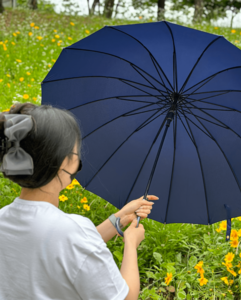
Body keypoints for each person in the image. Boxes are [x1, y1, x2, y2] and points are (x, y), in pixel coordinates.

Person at [0, 102, 158, 300]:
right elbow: (127, 297)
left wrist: (118, 218)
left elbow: (67, 248)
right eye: (75, 152)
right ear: (62, 162)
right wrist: (131, 243)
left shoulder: (4, 218)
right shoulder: (72, 231)